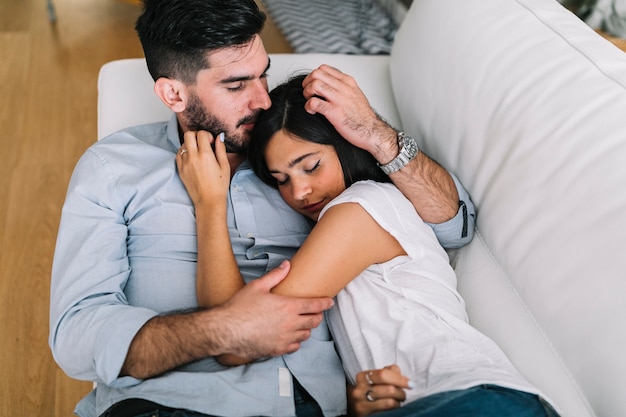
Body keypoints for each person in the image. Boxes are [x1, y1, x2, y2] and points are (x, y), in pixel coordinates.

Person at [48, 1, 475, 416]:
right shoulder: (113, 167)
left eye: (263, 76)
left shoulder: (302, 149)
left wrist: (377, 135)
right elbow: (76, 336)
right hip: (171, 406)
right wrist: (221, 330)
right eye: (235, 86)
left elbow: (451, 226)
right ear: (174, 93)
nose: (262, 101)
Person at [176, 74, 559, 417]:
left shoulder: (363, 206)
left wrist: (210, 205)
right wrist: (357, 399)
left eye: (311, 166)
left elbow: (234, 338)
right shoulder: (343, 227)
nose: (299, 191)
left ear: (345, 146)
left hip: (476, 400)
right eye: (281, 179)